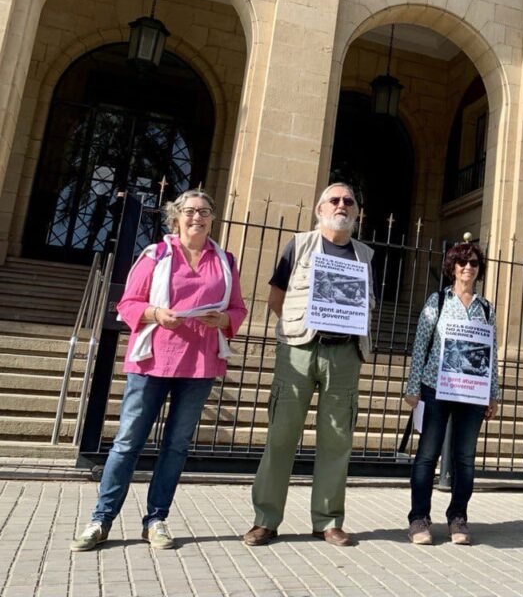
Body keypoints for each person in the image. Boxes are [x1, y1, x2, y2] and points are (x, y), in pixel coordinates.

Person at [70, 190, 247, 552]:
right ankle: (101, 519)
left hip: (199, 363)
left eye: (205, 212)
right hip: (153, 360)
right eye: (190, 211)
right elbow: (128, 303)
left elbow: (238, 309)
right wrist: (155, 314)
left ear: (213, 218)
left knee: (176, 445)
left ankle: (156, 519)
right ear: (175, 217)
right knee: (127, 442)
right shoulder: (156, 254)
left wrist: (223, 319)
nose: (198, 217)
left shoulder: (225, 260)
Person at [243, 182, 375, 547]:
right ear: (320, 209)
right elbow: (276, 298)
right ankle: (265, 519)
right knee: (281, 436)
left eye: (349, 201)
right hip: (299, 350)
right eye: (334, 200)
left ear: (356, 212)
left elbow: (368, 304)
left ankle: (328, 521)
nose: (341, 205)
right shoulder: (299, 245)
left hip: (345, 354)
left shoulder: (365, 255)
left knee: (337, 440)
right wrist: (299, 326)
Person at [403, 240, 499, 546]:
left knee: (465, 458)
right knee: (427, 454)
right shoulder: (438, 301)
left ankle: (458, 516)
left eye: (473, 263)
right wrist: (413, 387)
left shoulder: (486, 308)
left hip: (473, 393)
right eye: (462, 262)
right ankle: (419, 517)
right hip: (436, 387)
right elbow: (421, 344)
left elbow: (492, 352)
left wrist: (493, 393)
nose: (468, 267)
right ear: (452, 267)